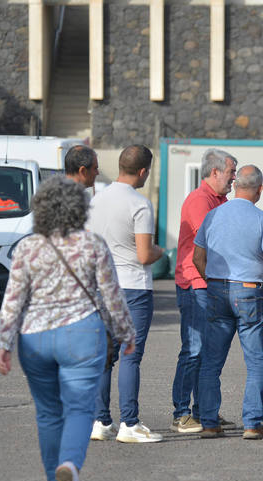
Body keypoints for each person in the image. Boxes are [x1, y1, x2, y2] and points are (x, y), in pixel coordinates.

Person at [0, 176, 136, 481]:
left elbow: (13, 299)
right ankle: (69, 465)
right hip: (82, 334)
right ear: (80, 208)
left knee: (47, 413)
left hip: (35, 338)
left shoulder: (27, 247)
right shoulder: (92, 244)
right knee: (80, 409)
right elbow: (112, 297)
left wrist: (3, 343)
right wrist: (126, 333)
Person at [192, 165, 263, 440]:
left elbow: (197, 257)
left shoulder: (213, 215)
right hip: (250, 291)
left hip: (217, 288)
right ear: (260, 189)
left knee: (211, 361)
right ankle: (252, 423)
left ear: (235, 186)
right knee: (257, 362)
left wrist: (212, 281)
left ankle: (208, 422)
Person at [87, 145, 164, 443]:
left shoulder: (95, 200)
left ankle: (100, 421)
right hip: (132, 286)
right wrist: (163, 252)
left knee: (104, 356)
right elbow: (144, 255)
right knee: (130, 355)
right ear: (143, 171)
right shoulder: (140, 204)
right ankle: (129, 423)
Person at [172, 148, 238, 433]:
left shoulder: (220, 200)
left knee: (208, 352)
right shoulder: (200, 200)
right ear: (214, 172)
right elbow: (214, 243)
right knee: (194, 349)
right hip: (195, 284)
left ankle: (204, 410)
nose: (234, 178)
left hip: (210, 284)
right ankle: (181, 412)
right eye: (231, 172)